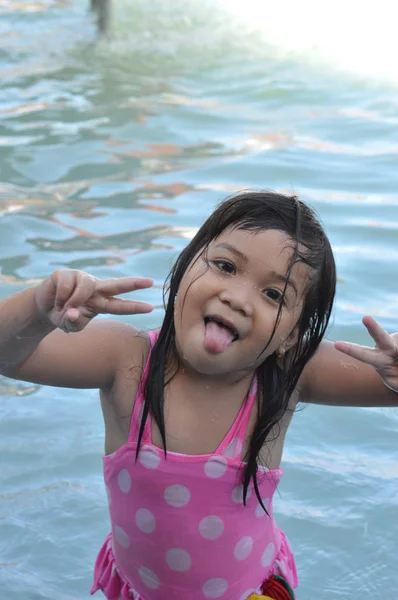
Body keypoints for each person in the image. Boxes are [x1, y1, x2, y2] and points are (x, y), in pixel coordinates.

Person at [0, 190, 397, 600]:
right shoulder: (126, 360)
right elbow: (8, 358)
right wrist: (37, 308)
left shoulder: (289, 372)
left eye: (274, 295)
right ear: (184, 267)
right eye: (225, 266)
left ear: (291, 336)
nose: (237, 298)